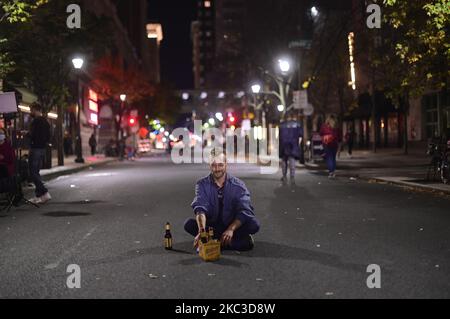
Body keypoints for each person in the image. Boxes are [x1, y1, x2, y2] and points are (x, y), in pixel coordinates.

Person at [184, 149, 260, 252]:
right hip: (212, 226)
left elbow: (245, 210)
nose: (217, 169)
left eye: (220, 165)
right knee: (188, 224)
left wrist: (231, 229)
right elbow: (200, 208)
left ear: (226, 164)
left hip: (231, 225)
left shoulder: (238, 185)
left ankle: (213, 243)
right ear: (209, 165)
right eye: (213, 165)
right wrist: (202, 231)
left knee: (254, 224)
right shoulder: (201, 184)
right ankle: (230, 243)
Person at [27, 102, 52, 204]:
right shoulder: (46, 122)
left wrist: (27, 134)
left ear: (36, 110)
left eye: (31, 110)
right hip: (42, 149)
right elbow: (48, 136)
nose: (30, 112)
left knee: (33, 172)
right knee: (36, 172)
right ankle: (39, 196)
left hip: (36, 148)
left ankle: (45, 193)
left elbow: (34, 135)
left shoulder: (36, 121)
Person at [279, 113, 303, 184]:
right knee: (292, 160)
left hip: (284, 144)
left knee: (284, 160)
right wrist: (298, 144)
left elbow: (280, 136)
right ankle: (292, 177)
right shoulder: (297, 124)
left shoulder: (282, 124)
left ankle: (284, 176)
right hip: (293, 144)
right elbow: (300, 136)